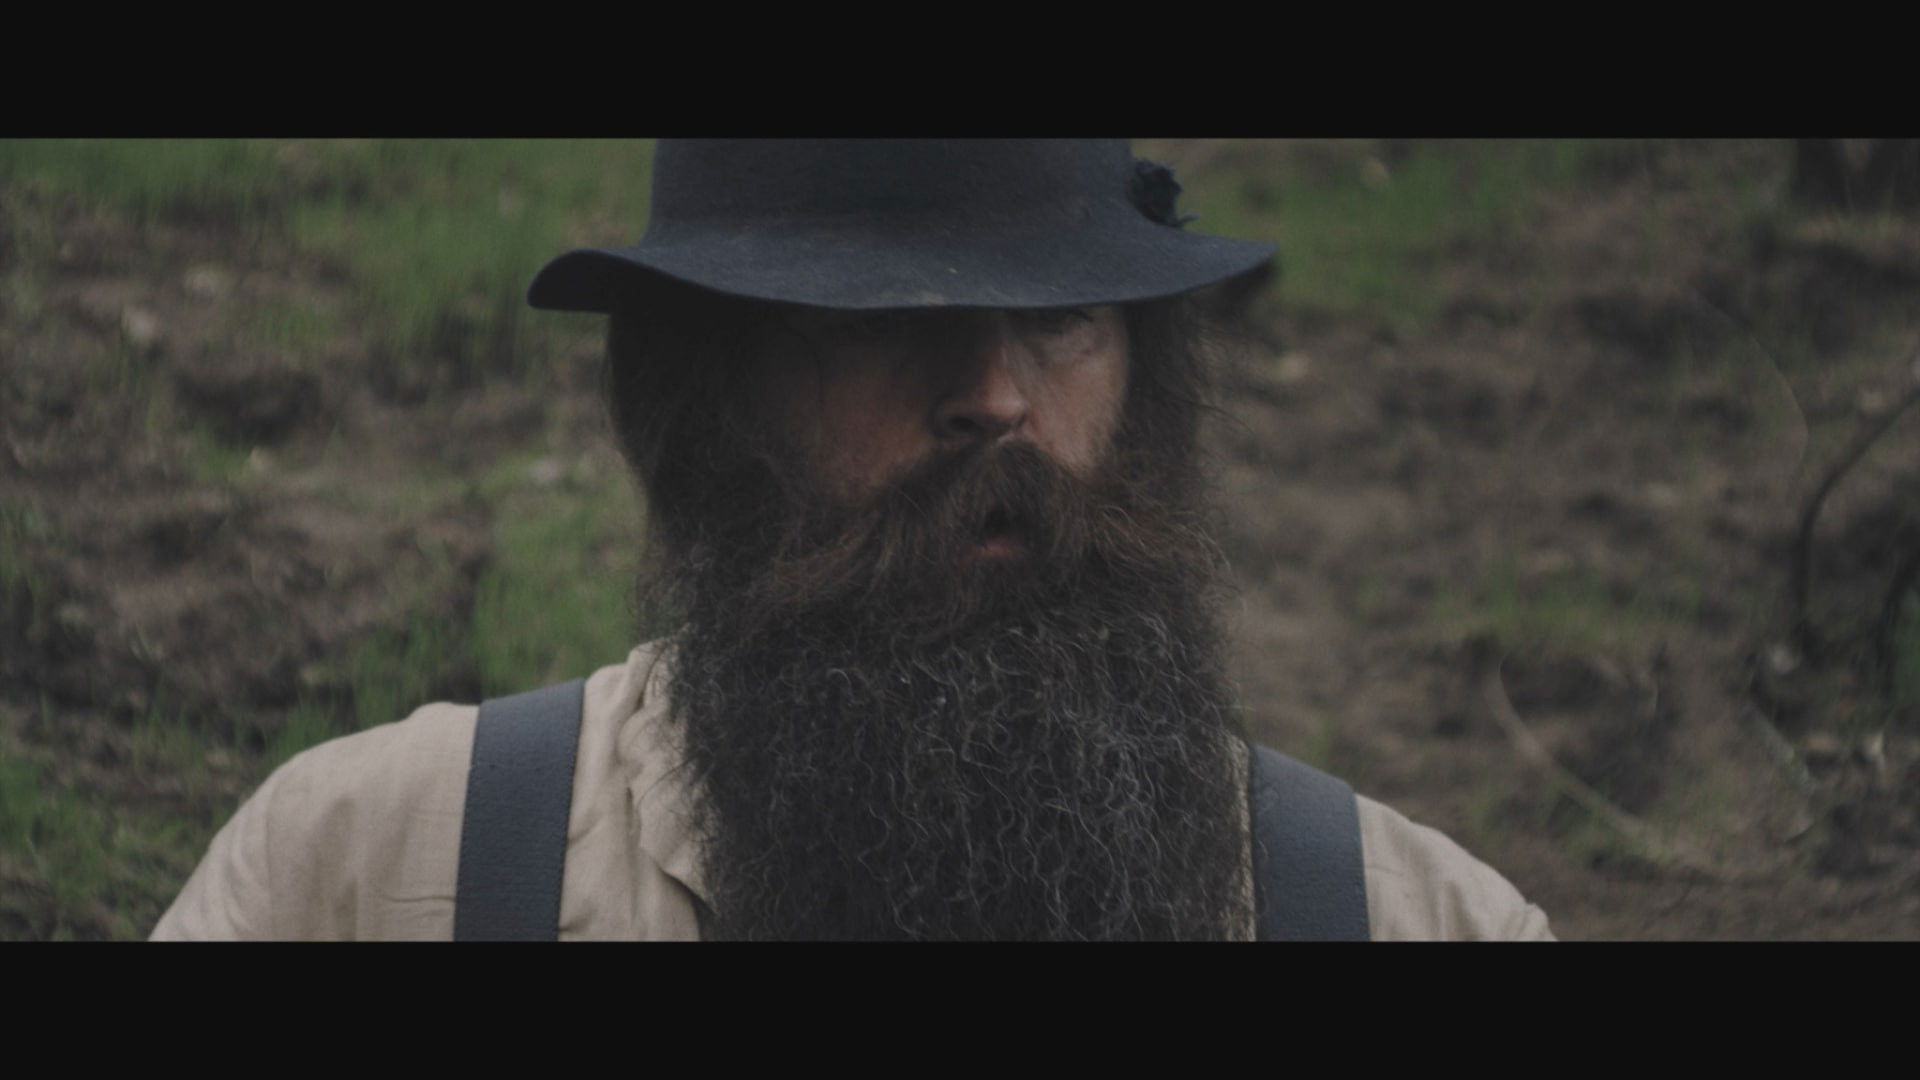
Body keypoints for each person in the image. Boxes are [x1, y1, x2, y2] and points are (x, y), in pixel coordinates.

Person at [151, 139, 1553, 941]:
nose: (995, 396)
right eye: (885, 319)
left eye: (1061, 316)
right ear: (710, 401)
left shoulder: (1415, 924)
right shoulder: (370, 871)